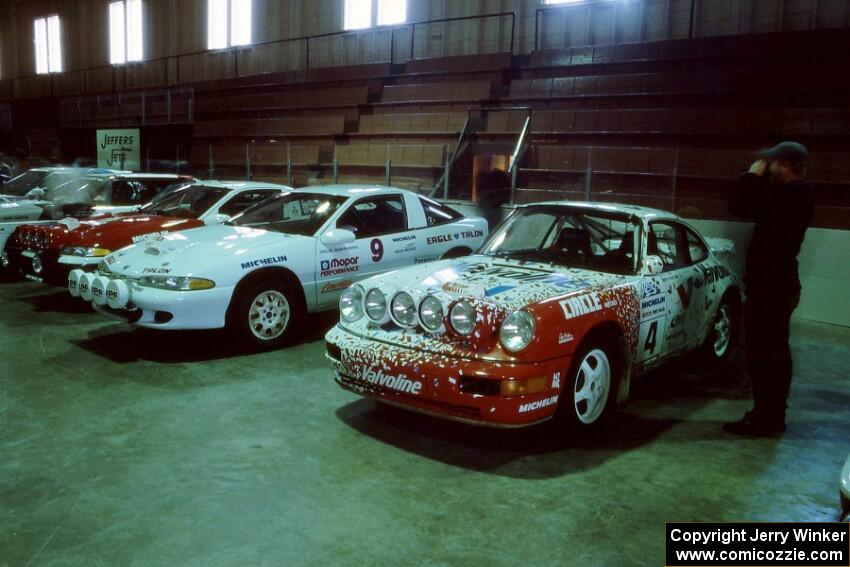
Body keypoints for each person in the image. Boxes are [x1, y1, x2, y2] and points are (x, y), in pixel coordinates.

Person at [724, 141, 814, 437]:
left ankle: (768, 418)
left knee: (767, 355)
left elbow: (744, 205)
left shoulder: (795, 195)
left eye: (771, 164)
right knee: (768, 353)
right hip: (773, 285)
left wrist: (751, 175)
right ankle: (768, 414)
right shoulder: (788, 195)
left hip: (773, 287)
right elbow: (741, 205)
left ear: (784, 164)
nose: (768, 170)